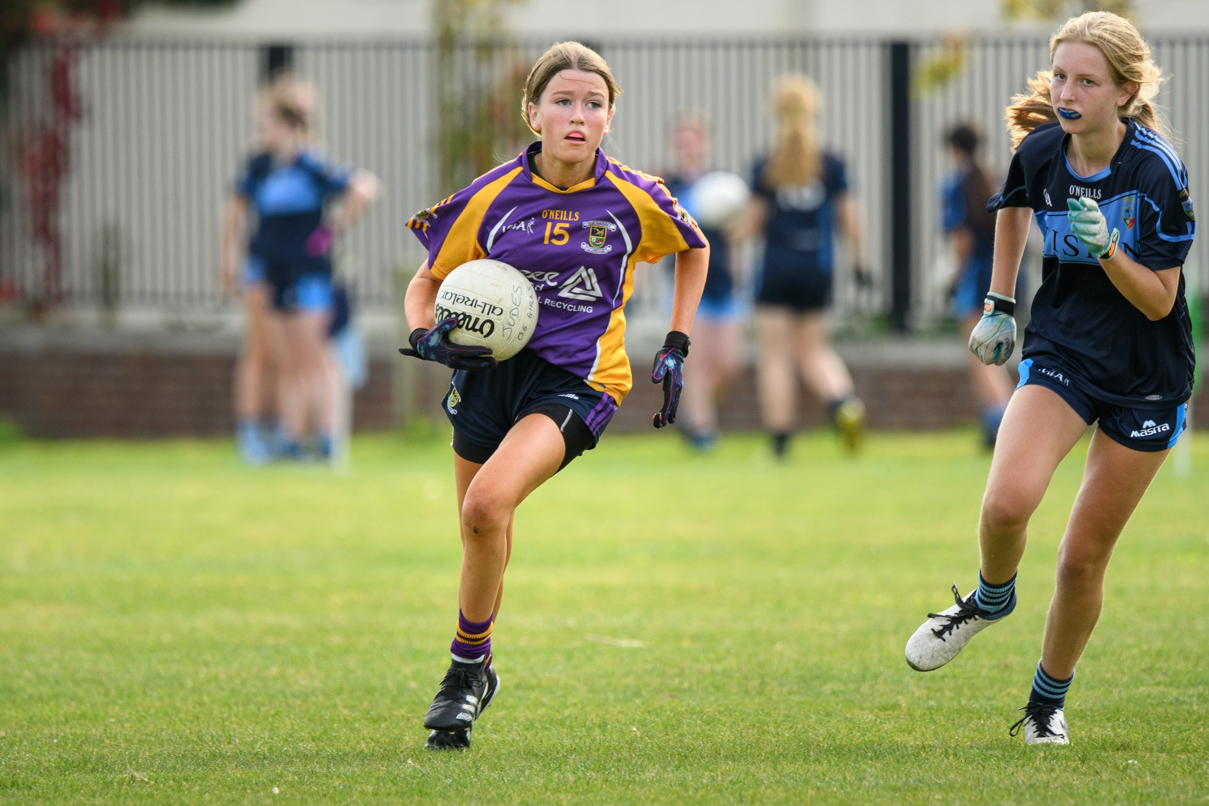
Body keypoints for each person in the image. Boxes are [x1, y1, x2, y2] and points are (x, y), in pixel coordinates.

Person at [400, 41, 709, 750]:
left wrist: (677, 339)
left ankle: (458, 673)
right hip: (486, 376)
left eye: (593, 104)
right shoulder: (489, 195)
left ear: (608, 118)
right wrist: (425, 338)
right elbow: (426, 281)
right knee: (480, 531)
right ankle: (480, 667)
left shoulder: (634, 195)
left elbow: (694, 247)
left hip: (579, 379)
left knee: (486, 504)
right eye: (563, 102)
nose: (578, 115)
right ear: (532, 113)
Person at [904, 11, 1195, 745]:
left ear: (1123, 93)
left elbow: (1159, 300)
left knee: (1079, 559)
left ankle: (1044, 705)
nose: (1066, 91)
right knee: (1005, 504)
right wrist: (999, 304)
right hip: (1063, 348)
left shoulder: (1154, 171)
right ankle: (989, 598)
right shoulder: (1040, 151)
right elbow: (1011, 211)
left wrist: (1107, 253)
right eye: (1059, 75)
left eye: (1085, 81)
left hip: (1146, 375)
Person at [222, 75, 379, 462]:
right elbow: (235, 215)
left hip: (309, 274)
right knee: (288, 361)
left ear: (288, 123)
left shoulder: (311, 165)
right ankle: (290, 440)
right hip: (272, 275)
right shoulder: (259, 165)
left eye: (266, 122)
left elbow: (363, 188)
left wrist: (330, 232)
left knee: (316, 358)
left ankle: (327, 442)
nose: (260, 131)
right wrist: (230, 264)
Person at [732, 74, 869, 458]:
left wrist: (724, 231)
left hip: (777, 266)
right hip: (817, 266)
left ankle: (779, 441)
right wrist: (859, 262)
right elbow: (850, 219)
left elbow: (752, 223)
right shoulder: (831, 162)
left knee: (775, 354)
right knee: (813, 350)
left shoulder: (766, 164)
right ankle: (843, 402)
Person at [662, 113, 744, 451]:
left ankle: (693, 410)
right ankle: (703, 430)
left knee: (727, 364)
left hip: (722, 281)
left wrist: (739, 269)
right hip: (685, 283)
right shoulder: (667, 187)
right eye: (682, 138)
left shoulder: (722, 184)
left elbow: (736, 233)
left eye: (693, 137)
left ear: (705, 142)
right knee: (694, 361)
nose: (688, 144)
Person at [940, 122, 1016, 448]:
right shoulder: (992, 177)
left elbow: (962, 240)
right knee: (990, 352)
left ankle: (1005, 423)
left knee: (980, 355)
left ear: (954, 149)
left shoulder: (956, 184)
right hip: (997, 274)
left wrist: (953, 279)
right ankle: (993, 424)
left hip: (975, 277)